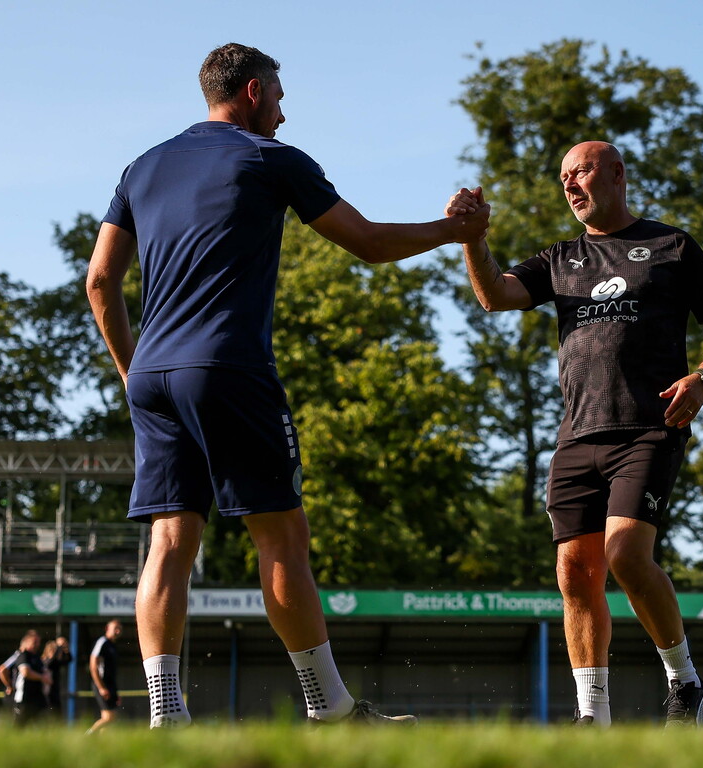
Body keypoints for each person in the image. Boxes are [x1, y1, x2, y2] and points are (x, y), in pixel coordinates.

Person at [86, 42, 489, 729]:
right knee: (281, 538)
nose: (283, 109)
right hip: (227, 368)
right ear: (250, 93)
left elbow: (99, 282)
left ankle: (164, 712)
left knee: (170, 541)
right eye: (277, 93)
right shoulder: (271, 160)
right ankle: (329, 708)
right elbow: (365, 242)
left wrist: (133, 377)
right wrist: (452, 230)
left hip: (153, 375)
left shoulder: (142, 165)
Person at [447, 141, 703, 727]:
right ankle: (593, 718)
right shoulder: (561, 258)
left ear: (616, 173)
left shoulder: (673, 246)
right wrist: (471, 238)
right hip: (578, 436)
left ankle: (687, 687)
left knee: (626, 555)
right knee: (575, 575)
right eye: (562, 177)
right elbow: (495, 295)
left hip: (648, 428)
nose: (569, 184)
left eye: (579, 171)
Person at [0, 630, 51, 726]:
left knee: (45, 722)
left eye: (38, 642)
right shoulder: (20, 655)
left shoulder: (36, 657)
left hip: (37, 697)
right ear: (26, 642)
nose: (38, 645)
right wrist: (9, 685)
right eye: (35, 642)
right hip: (23, 696)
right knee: (20, 724)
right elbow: (2, 670)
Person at [88, 619, 122, 733]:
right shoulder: (102, 642)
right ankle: (87, 736)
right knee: (108, 717)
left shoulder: (113, 646)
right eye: (115, 628)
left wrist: (116, 692)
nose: (118, 631)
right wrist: (101, 687)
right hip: (102, 684)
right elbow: (93, 664)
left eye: (119, 629)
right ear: (107, 629)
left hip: (110, 686)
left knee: (111, 718)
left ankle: (102, 744)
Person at [42, 636, 73, 717]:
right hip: (46, 692)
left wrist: (66, 649)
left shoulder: (56, 663)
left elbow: (69, 659)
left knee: (57, 713)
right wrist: (58, 646)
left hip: (55, 691)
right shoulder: (44, 661)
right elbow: (50, 663)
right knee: (48, 712)